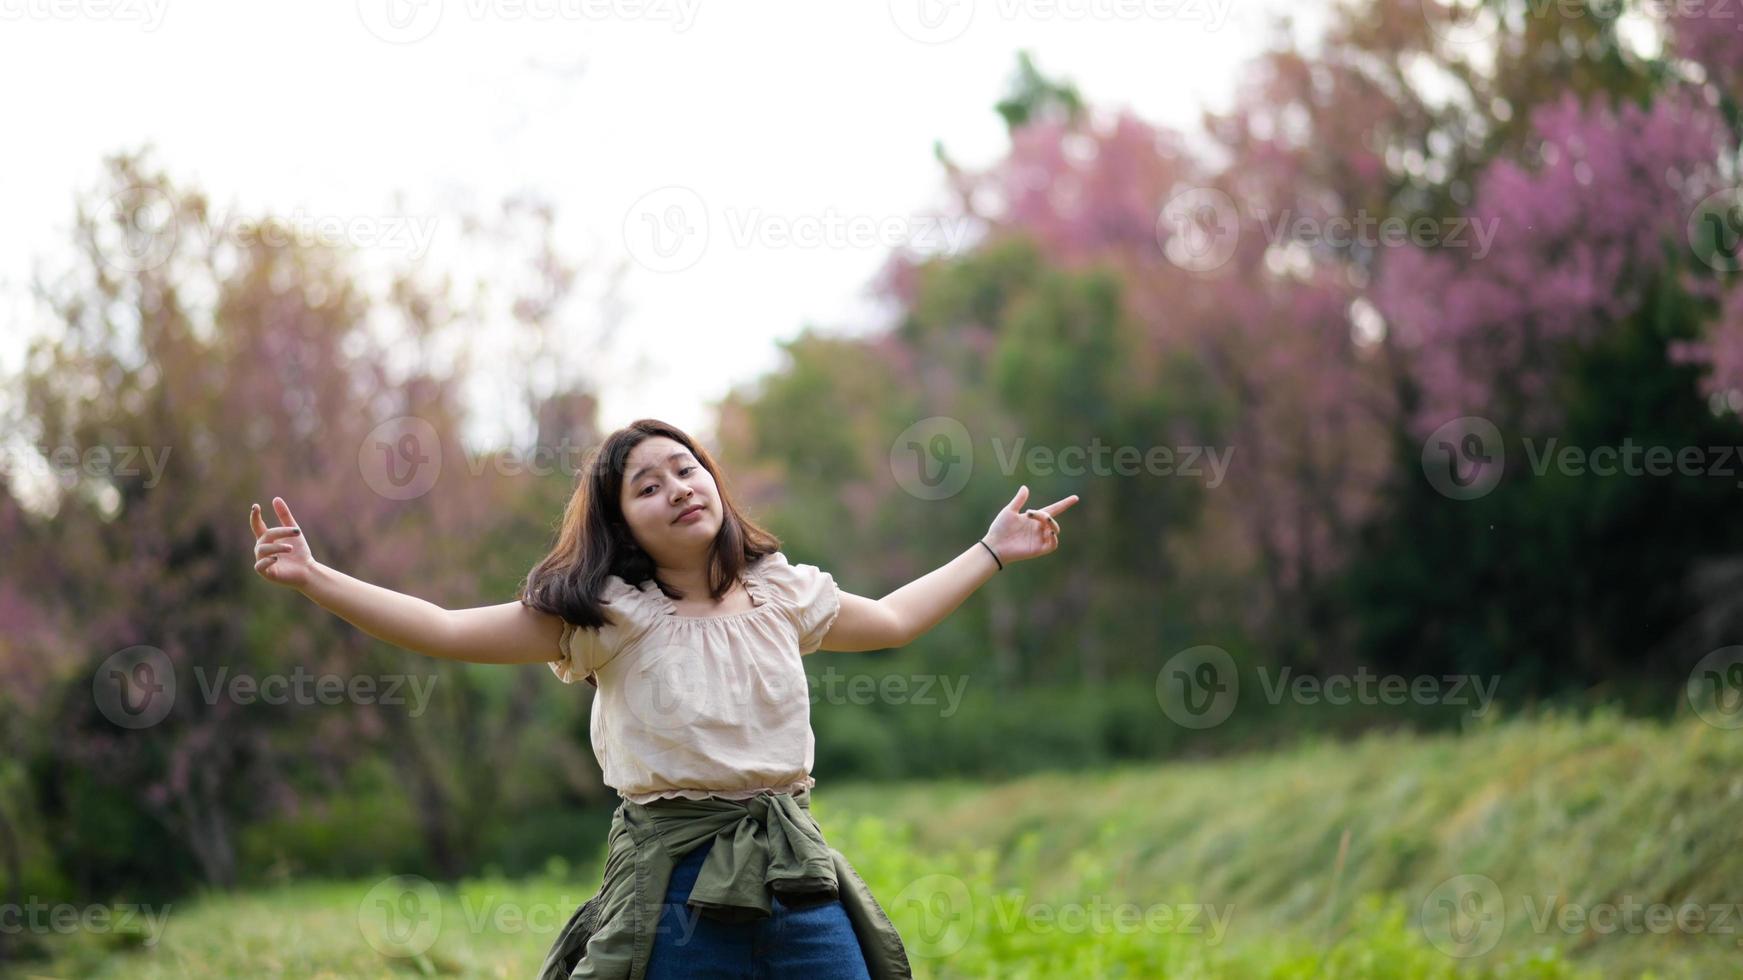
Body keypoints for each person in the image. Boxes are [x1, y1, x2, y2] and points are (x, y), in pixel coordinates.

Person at [249, 417, 1078, 977]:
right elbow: (444, 628)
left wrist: (990, 551)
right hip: (674, 886)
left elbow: (895, 619)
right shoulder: (607, 614)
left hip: (795, 872)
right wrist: (316, 578)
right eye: (648, 487)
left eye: (686, 469)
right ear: (624, 526)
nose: (677, 488)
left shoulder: (780, 594)